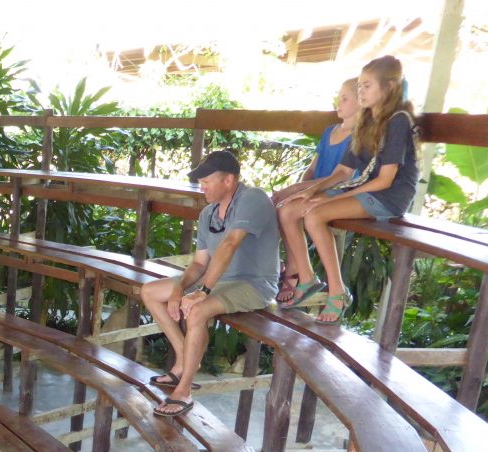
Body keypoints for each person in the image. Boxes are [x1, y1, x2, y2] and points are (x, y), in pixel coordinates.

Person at [279, 55, 418, 324]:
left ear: (388, 88)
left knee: (314, 214)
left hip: (388, 197)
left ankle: (337, 291)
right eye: (359, 87)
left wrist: (332, 198)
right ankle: (307, 280)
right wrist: (312, 191)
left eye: (366, 86)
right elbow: (342, 172)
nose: (360, 92)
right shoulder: (366, 122)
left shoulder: (398, 120)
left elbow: (386, 180)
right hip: (363, 188)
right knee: (288, 209)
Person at [142, 150, 280, 418]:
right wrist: (179, 290)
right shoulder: (208, 213)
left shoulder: (253, 197)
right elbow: (198, 264)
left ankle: (183, 391)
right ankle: (183, 358)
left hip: (254, 284)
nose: (201, 186)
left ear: (229, 180)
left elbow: (230, 243)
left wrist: (202, 292)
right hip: (218, 281)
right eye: (200, 181)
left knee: (197, 309)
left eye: (207, 180)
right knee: (150, 291)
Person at [273, 78, 359, 303]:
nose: (338, 102)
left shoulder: (360, 136)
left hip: (336, 191)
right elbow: (312, 168)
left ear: (361, 101)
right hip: (315, 188)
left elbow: (341, 177)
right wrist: (300, 187)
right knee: (281, 204)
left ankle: (296, 272)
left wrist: (299, 190)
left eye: (345, 98)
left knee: (285, 207)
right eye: (338, 97)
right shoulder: (330, 131)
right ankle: (300, 271)